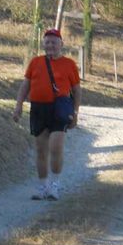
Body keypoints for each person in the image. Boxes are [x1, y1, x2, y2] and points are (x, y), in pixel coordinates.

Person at [13, 28, 81, 201]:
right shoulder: (35, 62)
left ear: (61, 44)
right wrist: (18, 105)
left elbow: (76, 90)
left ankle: (55, 185)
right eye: (47, 42)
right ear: (43, 44)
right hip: (38, 109)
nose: (50, 45)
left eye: (54, 42)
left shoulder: (69, 64)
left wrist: (75, 112)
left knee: (56, 147)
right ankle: (43, 187)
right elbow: (25, 85)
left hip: (60, 109)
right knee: (41, 150)